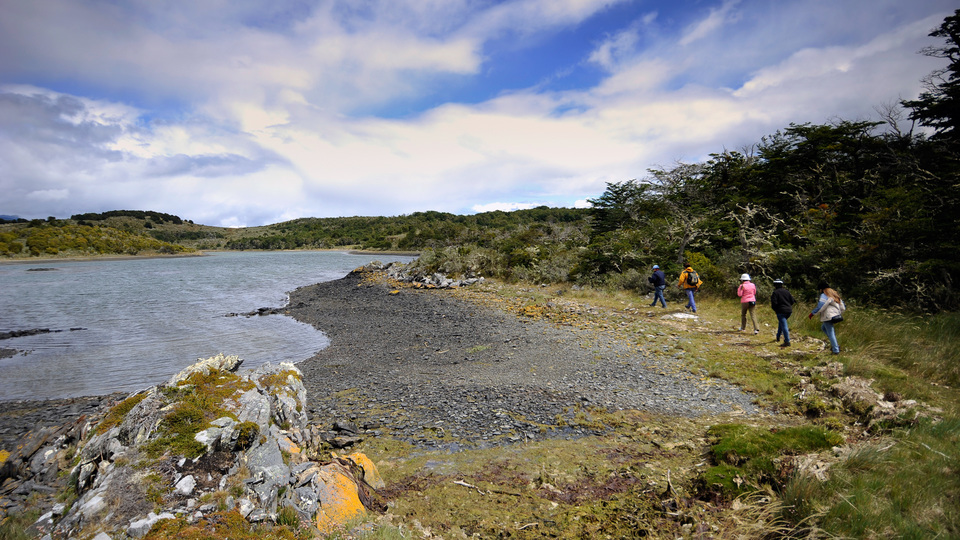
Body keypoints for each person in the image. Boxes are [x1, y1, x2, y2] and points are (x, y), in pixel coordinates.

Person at [809, 281, 846, 354]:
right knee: (823, 328)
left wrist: (813, 313)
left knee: (831, 332)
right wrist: (838, 313)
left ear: (821, 289)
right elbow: (843, 307)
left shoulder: (824, 295)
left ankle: (835, 349)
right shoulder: (835, 295)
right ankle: (834, 345)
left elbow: (821, 306)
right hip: (835, 315)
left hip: (828, 316)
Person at [770, 279, 796, 347]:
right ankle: (778, 336)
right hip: (789, 311)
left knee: (784, 326)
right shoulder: (787, 292)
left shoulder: (775, 293)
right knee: (781, 322)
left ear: (775, 285)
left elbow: (774, 303)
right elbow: (793, 301)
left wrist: (776, 309)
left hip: (781, 311)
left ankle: (787, 341)